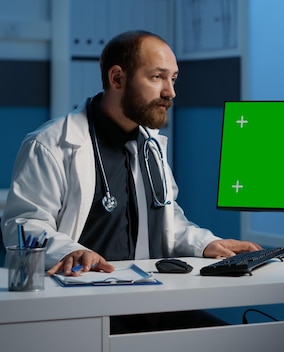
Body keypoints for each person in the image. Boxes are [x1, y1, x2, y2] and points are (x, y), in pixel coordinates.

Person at [1, 30, 261, 331]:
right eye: (157, 77)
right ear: (117, 79)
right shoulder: (50, 144)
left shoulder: (150, 145)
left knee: (230, 337)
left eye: (173, 79)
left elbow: (167, 222)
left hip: (144, 300)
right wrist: (70, 250)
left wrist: (207, 243)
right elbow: (23, 226)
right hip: (78, 309)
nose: (170, 92)